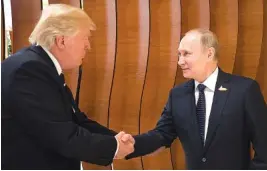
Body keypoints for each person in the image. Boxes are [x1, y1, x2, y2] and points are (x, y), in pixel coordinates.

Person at [1, 4, 134, 170]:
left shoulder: (39, 65)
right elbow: (62, 136)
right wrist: (113, 147)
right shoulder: (29, 71)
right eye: (85, 37)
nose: (88, 46)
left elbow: (76, 120)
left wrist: (117, 139)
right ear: (62, 40)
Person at [126, 28, 267, 169]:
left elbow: (263, 144)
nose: (180, 61)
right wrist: (130, 144)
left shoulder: (244, 90)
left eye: (186, 54)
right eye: (179, 55)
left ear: (209, 54)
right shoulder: (177, 95)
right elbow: (162, 135)